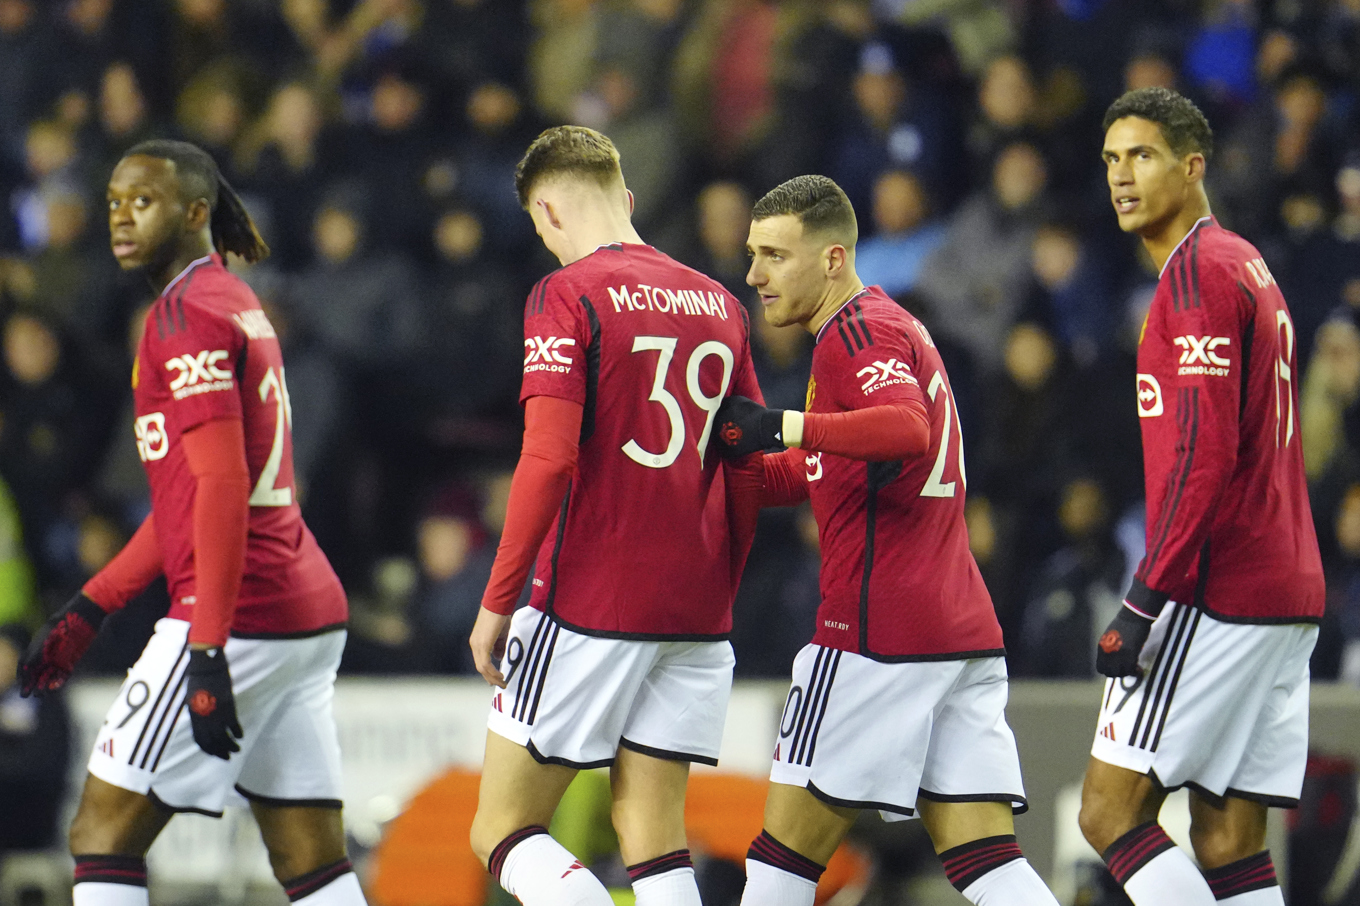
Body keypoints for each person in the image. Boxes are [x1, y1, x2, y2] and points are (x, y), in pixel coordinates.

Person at [16, 140, 365, 906]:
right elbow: (187, 503)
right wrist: (93, 604)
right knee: (309, 855)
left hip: (241, 612)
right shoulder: (229, 299)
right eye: (113, 200)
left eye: (144, 200)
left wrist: (206, 646)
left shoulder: (182, 317)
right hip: (302, 607)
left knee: (102, 832)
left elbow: (220, 486)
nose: (121, 215)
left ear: (196, 212)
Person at [712, 174, 1059, 906]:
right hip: (959, 630)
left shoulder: (854, 335)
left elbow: (906, 428)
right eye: (752, 254)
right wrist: (712, 467)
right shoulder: (891, 327)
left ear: (833, 258)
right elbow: (820, 470)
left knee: (780, 861)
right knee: (987, 863)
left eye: (775, 255)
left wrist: (782, 423)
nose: (754, 275)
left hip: (876, 636)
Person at [465, 125, 764, 906]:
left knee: (500, 831)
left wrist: (498, 599)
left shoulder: (564, 294)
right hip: (696, 612)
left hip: (591, 598)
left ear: (551, 211)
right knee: (655, 841)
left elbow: (549, 458)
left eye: (539, 227)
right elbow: (753, 464)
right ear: (626, 199)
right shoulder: (720, 303)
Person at [1076, 87, 1324, 905]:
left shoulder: (1196, 278)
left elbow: (1200, 460)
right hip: (1288, 588)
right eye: (1112, 160)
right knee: (1228, 839)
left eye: (1141, 156)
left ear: (1192, 166)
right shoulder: (1244, 262)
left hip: (1218, 586)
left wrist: (1145, 600)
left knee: (1109, 813)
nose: (1121, 176)